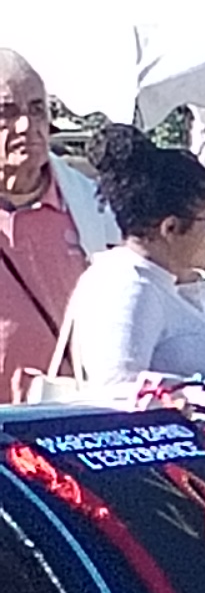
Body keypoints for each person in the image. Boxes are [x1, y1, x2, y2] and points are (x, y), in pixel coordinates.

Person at [56, 140, 205, 398]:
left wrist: (189, 282)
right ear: (170, 228)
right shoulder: (128, 286)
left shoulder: (153, 280)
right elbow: (118, 397)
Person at [0, 47, 116, 395]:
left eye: (37, 109)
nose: (27, 126)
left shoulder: (93, 207)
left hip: (66, 410)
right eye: (6, 112)